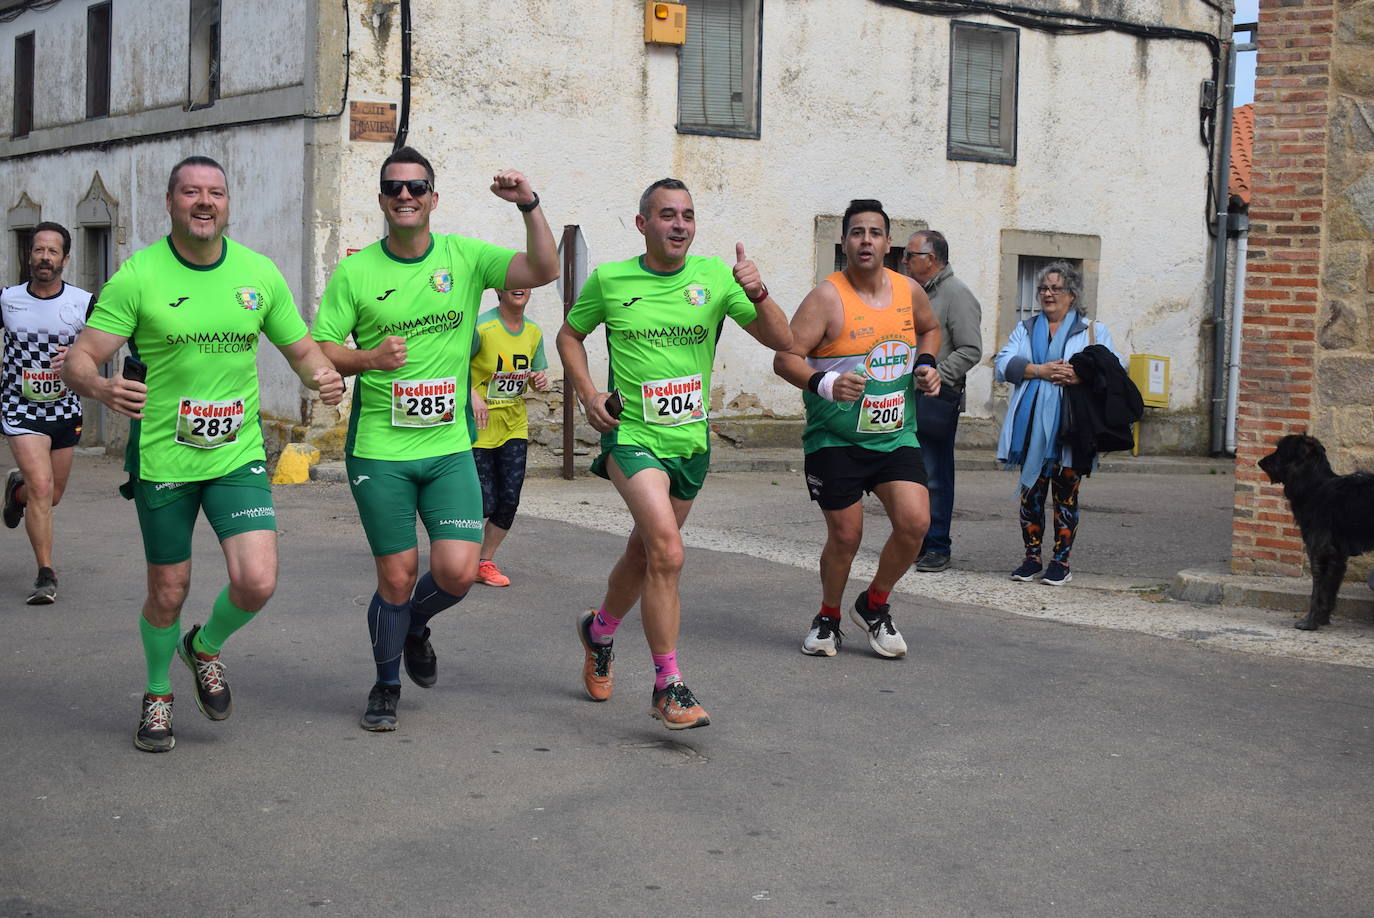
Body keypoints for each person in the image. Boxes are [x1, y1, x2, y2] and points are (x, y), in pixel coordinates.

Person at [63, 156, 345, 753]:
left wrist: (322, 374)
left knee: (258, 581)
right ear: (170, 203)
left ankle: (205, 646)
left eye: (215, 192)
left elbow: (299, 348)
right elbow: (78, 359)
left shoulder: (257, 274)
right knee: (169, 589)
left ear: (227, 203)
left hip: (235, 455)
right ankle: (158, 691)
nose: (204, 202)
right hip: (165, 460)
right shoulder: (138, 277)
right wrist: (102, 387)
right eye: (191, 192)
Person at [313, 147, 558, 732]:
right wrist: (368, 358)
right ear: (381, 199)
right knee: (395, 575)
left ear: (432, 198)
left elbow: (544, 269)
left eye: (416, 187)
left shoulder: (465, 257)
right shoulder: (356, 272)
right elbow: (322, 347)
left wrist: (529, 204)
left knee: (455, 572)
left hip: (449, 449)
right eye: (394, 188)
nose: (405, 196)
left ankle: (416, 624)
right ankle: (386, 682)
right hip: (380, 450)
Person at [556, 177, 792, 729]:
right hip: (631, 436)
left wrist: (757, 291)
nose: (679, 224)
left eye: (687, 215)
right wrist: (589, 395)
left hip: (690, 443)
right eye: (667, 215)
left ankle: (599, 631)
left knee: (646, 554)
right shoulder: (611, 280)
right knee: (668, 550)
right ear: (643, 224)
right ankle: (669, 685)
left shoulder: (714, 277)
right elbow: (570, 336)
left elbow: (782, 340)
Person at [773, 199, 942, 659]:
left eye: (875, 232)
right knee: (847, 536)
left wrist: (926, 364)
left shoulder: (909, 292)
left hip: (894, 435)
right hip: (836, 439)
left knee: (916, 524)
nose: (866, 240)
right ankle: (828, 616)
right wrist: (825, 382)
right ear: (845, 242)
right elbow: (784, 357)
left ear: (889, 244)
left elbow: (930, 330)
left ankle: (873, 604)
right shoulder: (826, 297)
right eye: (856, 232)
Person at [994, 260, 1120, 586]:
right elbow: (1002, 364)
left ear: (1072, 294)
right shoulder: (1026, 328)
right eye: (1043, 288)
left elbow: (1113, 370)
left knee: (1066, 496)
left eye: (1056, 288)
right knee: (1031, 496)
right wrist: (1040, 371)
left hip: (1071, 428)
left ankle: (1061, 562)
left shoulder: (1093, 330)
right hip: (1031, 429)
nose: (1048, 294)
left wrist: (1080, 374)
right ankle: (1031, 558)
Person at [1, 221, 96, 604]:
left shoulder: (83, 302)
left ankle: (16, 492)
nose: (44, 257)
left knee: (50, 495)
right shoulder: (8, 299)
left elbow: (100, 347)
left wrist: (78, 357)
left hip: (64, 408)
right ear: (30, 255)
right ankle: (45, 574)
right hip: (18, 407)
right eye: (38, 250)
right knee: (42, 488)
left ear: (65, 259)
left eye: (52, 251)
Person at [901, 230, 983, 573]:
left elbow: (971, 349)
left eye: (910, 255)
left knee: (935, 474)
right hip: (907, 396)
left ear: (931, 259)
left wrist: (934, 372)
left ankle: (937, 545)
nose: (903, 261)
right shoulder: (917, 292)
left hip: (936, 396)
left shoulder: (956, 293)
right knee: (910, 474)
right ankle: (916, 543)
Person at [468, 287, 550, 588]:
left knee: (509, 499)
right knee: (484, 501)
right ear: (499, 289)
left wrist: (539, 380)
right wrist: (471, 395)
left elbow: (537, 375)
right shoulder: (481, 327)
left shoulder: (533, 331)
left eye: (525, 282)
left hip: (513, 425)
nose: (520, 288)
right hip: (478, 425)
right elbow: (452, 363)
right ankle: (455, 551)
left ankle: (483, 561)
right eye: (513, 282)